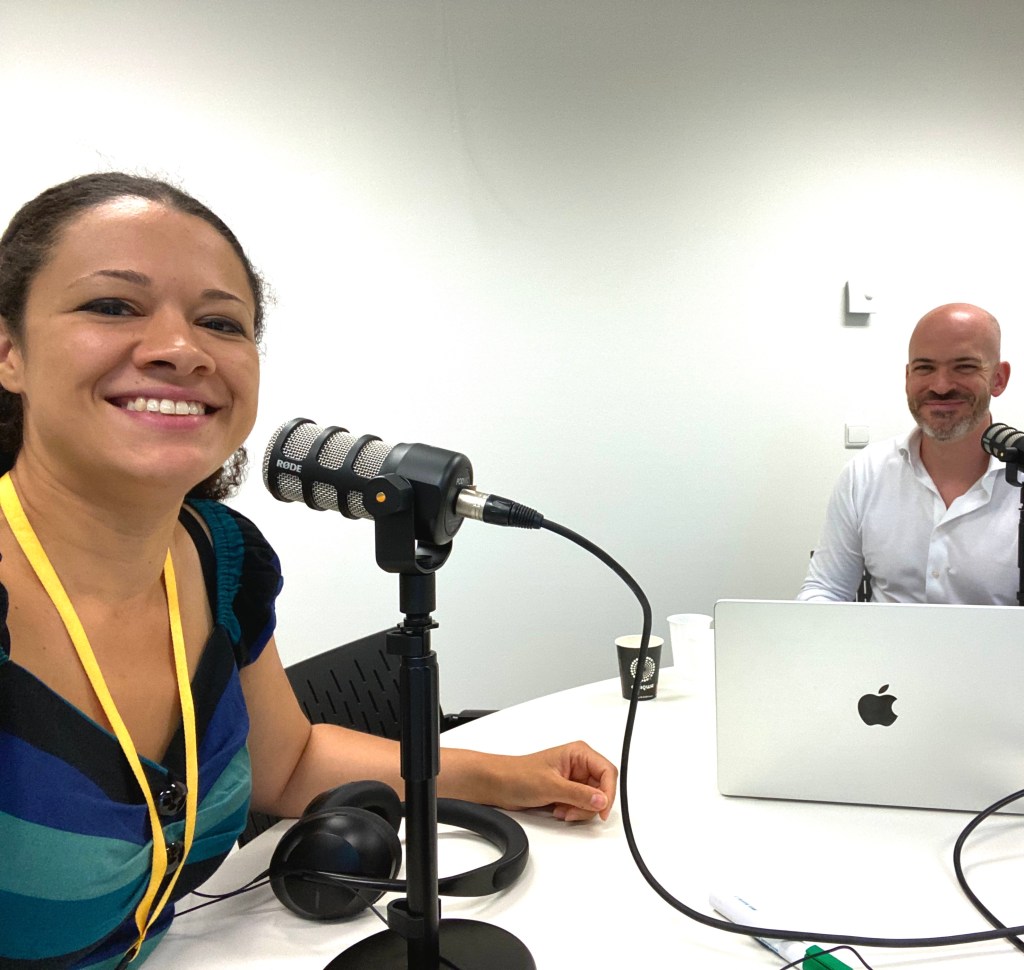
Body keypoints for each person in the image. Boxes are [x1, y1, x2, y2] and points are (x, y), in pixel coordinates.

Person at [0, 173, 618, 970]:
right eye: (113, 306)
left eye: (220, 322)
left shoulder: (220, 557)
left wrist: (510, 776)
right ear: (9, 351)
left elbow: (289, 762)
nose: (181, 349)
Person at [798, 302, 1018, 604]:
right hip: (880, 639)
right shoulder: (866, 474)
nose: (940, 386)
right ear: (907, 377)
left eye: (964, 366)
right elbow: (827, 589)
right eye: (925, 368)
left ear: (999, 379)